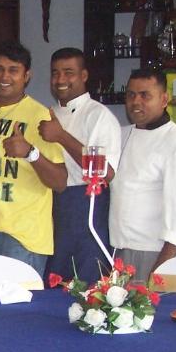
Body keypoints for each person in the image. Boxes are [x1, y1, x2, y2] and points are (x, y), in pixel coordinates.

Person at [0, 41, 67, 274]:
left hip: (21, 238)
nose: (5, 76)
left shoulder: (38, 115)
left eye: (14, 70)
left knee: (18, 309)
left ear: (26, 76)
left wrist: (30, 153)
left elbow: (60, 181)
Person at [39, 47, 122, 283]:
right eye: (55, 73)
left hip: (85, 206)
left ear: (84, 76)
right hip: (50, 205)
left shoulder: (99, 115)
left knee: (86, 286)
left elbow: (106, 173)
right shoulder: (48, 113)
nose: (61, 80)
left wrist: (61, 136)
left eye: (69, 72)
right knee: (53, 283)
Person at [110, 68, 176, 280]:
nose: (136, 101)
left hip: (157, 253)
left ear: (164, 99)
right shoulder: (122, 135)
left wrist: (162, 268)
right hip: (121, 250)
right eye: (131, 95)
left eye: (145, 95)